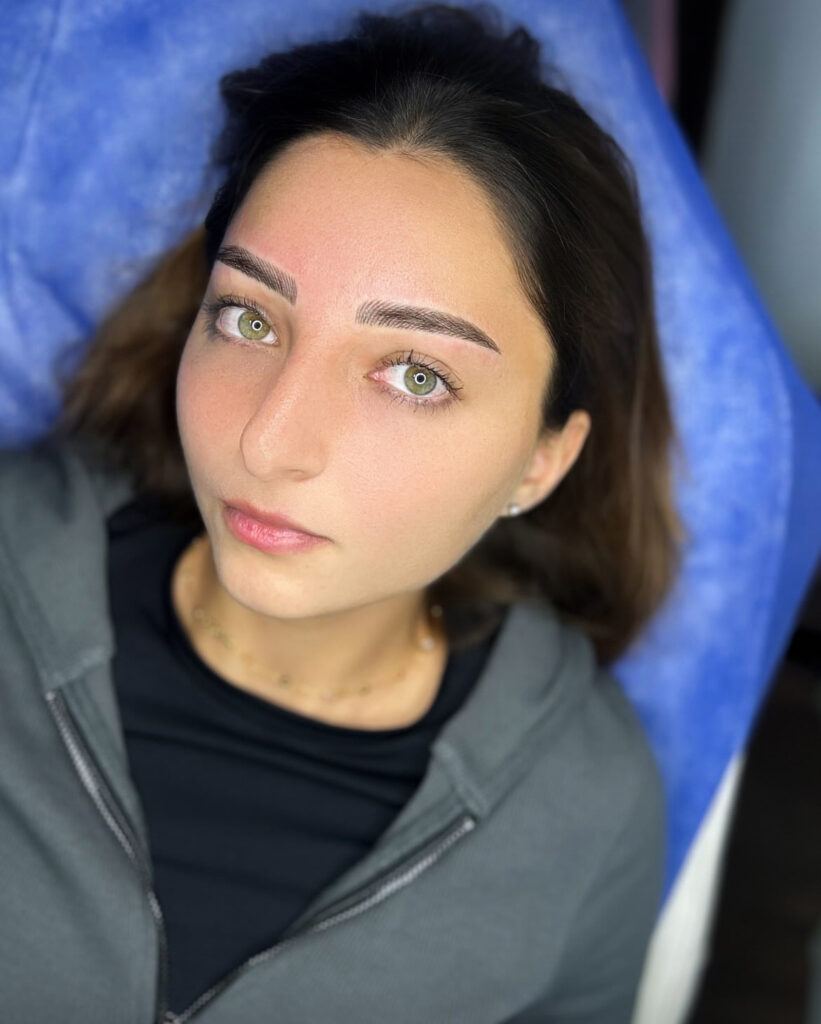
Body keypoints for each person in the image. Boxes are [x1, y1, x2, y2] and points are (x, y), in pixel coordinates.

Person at [0, 2, 688, 1021]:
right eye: (248, 318)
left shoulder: (584, 800)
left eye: (414, 375)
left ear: (542, 460)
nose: (269, 442)